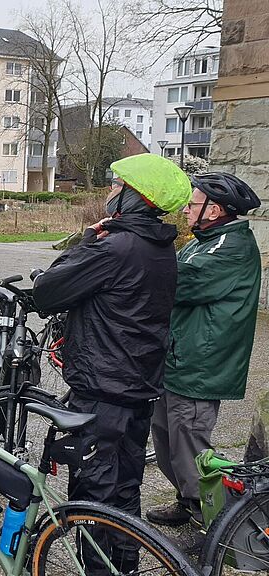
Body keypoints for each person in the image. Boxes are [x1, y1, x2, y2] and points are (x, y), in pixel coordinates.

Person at [32, 153, 191, 574]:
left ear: (137, 197)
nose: (110, 191)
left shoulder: (115, 248)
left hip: (103, 391)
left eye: (118, 186)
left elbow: (48, 291)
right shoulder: (161, 247)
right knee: (125, 490)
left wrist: (86, 242)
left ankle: (99, 570)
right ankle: (125, 566)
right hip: (138, 387)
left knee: (92, 495)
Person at [147, 173, 261, 536]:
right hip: (180, 358)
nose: (185, 209)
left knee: (190, 444)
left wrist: (142, 250)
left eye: (192, 204)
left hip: (200, 365)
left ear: (214, 210)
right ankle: (189, 502)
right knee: (166, 439)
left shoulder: (230, 247)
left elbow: (180, 282)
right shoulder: (205, 241)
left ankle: (215, 528)